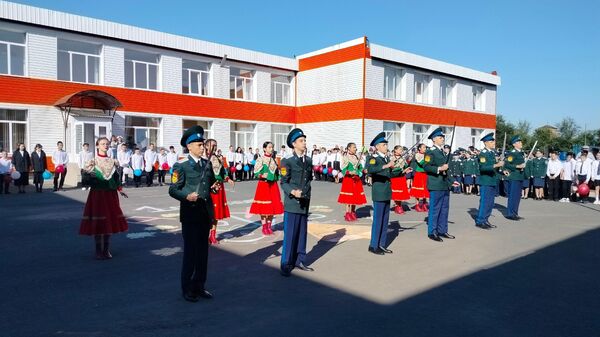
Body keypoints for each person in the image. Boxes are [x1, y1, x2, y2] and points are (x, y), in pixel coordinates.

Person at [169, 125, 219, 301]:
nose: (202, 146)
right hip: (190, 214)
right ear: (189, 146)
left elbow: (211, 185)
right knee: (191, 253)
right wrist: (186, 196)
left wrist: (214, 187)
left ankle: (199, 285)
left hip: (204, 214)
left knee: (203, 253)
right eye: (198, 144)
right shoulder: (181, 165)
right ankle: (187, 288)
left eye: (202, 143)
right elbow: (173, 190)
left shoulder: (207, 164)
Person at [79, 137, 129, 260]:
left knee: (108, 221)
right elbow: (85, 181)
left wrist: (120, 190)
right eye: (102, 144)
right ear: (97, 146)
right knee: (98, 221)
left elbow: (116, 179)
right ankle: (98, 250)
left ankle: (106, 250)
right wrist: (87, 175)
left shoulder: (113, 161)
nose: (105, 146)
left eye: (107, 144)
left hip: (110, 195)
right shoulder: (92, 161)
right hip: (97, 194)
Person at [279, 128, 314, 277]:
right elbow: (284, 182)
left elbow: (309, 179)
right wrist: (293, 192)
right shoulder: (287, 161)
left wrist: (304, 193)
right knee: (290, 234)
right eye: (301, 141)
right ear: (294, 144)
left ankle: (300, 260)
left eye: (305, 140)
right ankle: (286, 263)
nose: (304, 143)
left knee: (302, 233)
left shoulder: (309, 160)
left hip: (304, 201)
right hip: (293, 203)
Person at [365, 133, 400, 254]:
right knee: (378, 220)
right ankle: (373, 245)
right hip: (379, 192)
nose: (386, 146)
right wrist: (387, 165)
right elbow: (370, 169)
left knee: (385, 220)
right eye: (384, 144)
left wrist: (402, 171)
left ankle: (381, 244)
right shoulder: (373, 158)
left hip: (386, 192)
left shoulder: (385, 159)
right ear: (377, 146)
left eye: (386, 144)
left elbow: (389, 174)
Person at [423, 128, 454, 242]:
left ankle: (442, 230)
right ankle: (432, 232)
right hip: (436, 184)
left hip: (444, 184)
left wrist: (452, 181)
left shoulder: (442, 151)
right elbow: (426, 166)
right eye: (440, 137)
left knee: (444, 209)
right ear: (434, 139)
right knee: (435, 209)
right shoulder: (430, 151)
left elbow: (447, 170)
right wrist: (439, 168)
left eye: (443, 137)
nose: (443, 139)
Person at [250, 141, 284, 234]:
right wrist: (263, 176)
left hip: (273, 185)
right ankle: (264, 227)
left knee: (272, 207)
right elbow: (256, 173)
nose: (271, 149)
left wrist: (280, 175)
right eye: (269, 147)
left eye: (272, 147)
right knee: (264, 207)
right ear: (264, 149)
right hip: (264, 185)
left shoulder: (274, 160)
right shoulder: (260, 159)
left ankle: (269, 227)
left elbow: (277, 173)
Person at [205, 139, 235, 244]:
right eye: (213, 145)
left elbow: (223, 172)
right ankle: (205, 234)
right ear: (206, 146)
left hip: (219, 188)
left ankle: (212, 236)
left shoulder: (218, 158)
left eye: (216, 145)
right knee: (207, 213)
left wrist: (228, 179)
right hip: (208, 189)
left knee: (216, 214)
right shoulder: (204, 159)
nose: (215, 147)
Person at [475, 133, 504, 229]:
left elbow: (495, 169)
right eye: (491, 141)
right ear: (486, 143)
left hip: (492, 180)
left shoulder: (491, 153)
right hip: (486, 181)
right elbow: (483, 168)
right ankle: (480, 221)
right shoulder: (483, 154)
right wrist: (496, 165)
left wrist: (503, 172)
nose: (493, 143)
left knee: (490, 203)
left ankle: (486, 219)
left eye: (493, 141)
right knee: (485, 202)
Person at [338, 142, 368, 221]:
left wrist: (363, 170)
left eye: (355, 147)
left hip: (356, 179)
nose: (355, 149)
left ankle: (353, 212)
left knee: (355, 196)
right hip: (349, 180)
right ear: (349, 149)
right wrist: (349, 172)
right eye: (354, 147)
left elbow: (360, 167)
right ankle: (347, 213)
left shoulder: (357, 157)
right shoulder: (345, 157)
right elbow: (343, 168)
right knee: (348, 197)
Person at [503, 136, 526, 220]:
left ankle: (515, 213)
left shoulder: (521, 153)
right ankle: (510, 214)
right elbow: (507, 164)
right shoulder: (512, 153)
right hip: (514, 177)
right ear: (514, 144)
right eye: (518, 142)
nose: (521, 143)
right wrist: (518, 166)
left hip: (520, 176)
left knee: (517, 196)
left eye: (520, 142)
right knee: (513, 196)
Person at [389, 145, 412, 215]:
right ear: (395, 150)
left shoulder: (403, 158)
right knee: (396, 193)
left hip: (402, 177)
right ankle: (398, 206)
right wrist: (402, 170)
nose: (401, 151)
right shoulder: (392, 158)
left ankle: (399, 205)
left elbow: (405, 166)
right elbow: (392, 168)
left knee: (401, 193)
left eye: (402, 150)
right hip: (395, 177)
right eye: (399, 150)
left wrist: (407, 169)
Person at [409, 143, 429, 212]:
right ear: (419, 148)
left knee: (425, 189)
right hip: (419, 173)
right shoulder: (417, 154)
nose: (425, 149)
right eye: (423, 147)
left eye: (425, 147)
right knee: (418, 190)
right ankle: (417, 205)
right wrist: (427, 158)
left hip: (425, 173)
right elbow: (421, 163)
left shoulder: (426, 155)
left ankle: (424, 204)